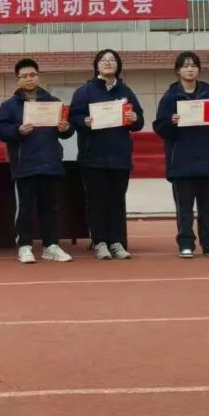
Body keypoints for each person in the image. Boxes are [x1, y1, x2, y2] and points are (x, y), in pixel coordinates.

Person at [0, 58, 75, 264]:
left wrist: (65, 129)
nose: (29, 79)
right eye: (24, 76)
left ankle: (51, 246)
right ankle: (24, 245)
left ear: (38, 76)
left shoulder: (54, 102)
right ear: (17, 80)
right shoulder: (9, 106)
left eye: (32, 75)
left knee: (50, 208)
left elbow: (66, 131)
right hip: (25, 164)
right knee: (25, 208)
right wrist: (17, 130)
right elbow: (0, 129)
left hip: (50, 162)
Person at [153, 52, 209, 259]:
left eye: (194, 66)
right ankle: (186, 244)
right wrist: (171, 122)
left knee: (207, 207)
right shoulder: (170, 97)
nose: (190, 69)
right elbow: (160, 128)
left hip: (207, 159)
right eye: (185, 66)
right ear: (178, 70)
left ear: (199, 69)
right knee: (184, 208)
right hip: (181, 161)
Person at [69, 49, 145, 260]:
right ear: (96, 65)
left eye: (112, 60)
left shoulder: (126, 91)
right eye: (104, 60)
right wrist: (83, 121)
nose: (108, 63)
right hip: (92, 157)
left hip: (119, 157)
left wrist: (134, 118)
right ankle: (100, 241)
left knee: (117, 201)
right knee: (96, 201)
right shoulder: (84, 92)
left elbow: (139, 121)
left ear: (118, 65)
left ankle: (117, 242)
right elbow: (73, 117)